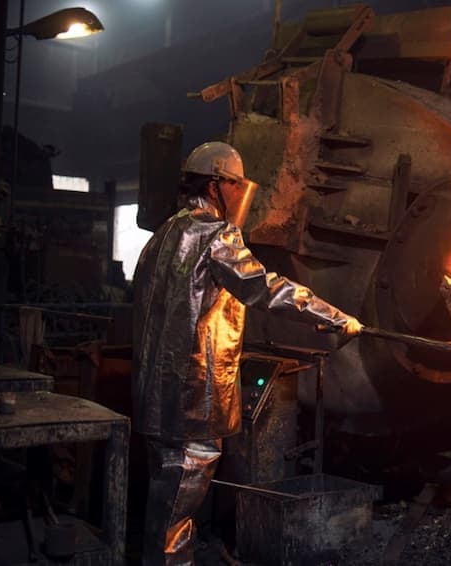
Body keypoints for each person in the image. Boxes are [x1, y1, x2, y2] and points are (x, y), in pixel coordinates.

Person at [132, 141, 363, 565]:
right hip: (193, 405)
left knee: (165, 508)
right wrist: (331, 316)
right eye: (237, 185)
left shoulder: (162, 236)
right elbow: (265, 287)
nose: (242, 195)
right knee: (175, 516)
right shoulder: (216, 236)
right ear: (217, 185)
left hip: (154, 400)